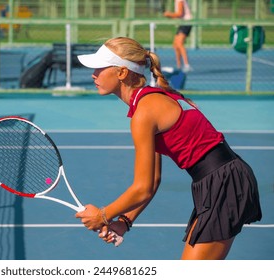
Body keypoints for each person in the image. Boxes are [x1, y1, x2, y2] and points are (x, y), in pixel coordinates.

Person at [74, 37, 262, 260]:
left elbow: (141, 187)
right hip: (224, 178)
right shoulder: (149, 101)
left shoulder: (144, 112)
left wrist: (103, 216)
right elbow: (152, 181)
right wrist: (124, 221)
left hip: (222, 182)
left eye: (100, 68)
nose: (93, 74)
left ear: (122, 73)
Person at [164, 0, 193, 72]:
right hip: (182, 23)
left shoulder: (180, 1)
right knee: (175, 45)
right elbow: (179, 15)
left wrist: (169, 14)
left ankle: (187, 65)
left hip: (186, 23)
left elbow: (179, 13)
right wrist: (170, 16)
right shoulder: (177, 1)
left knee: (180, 44)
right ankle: (179, 66)